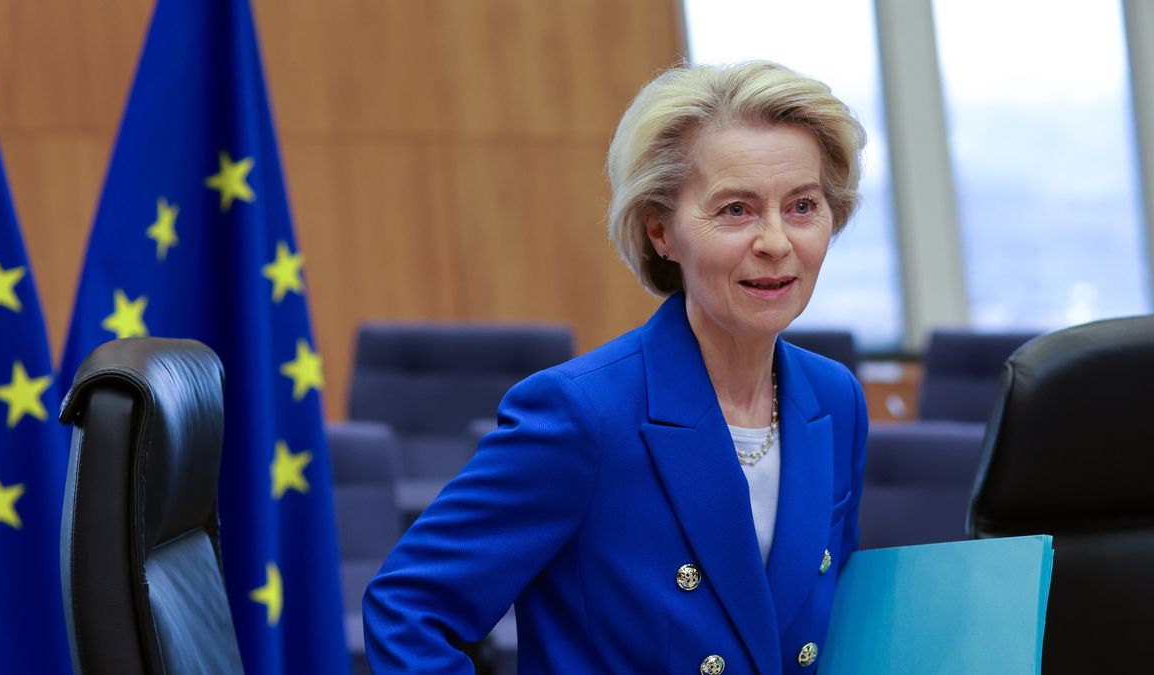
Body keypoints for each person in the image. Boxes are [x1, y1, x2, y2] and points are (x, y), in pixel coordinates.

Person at [363, 60, 869, 674]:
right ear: (662, 231)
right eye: (735, 209)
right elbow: (407, 608)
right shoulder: (581, 413)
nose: (775, 241)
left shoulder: (835, 398)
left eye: (802, 206)